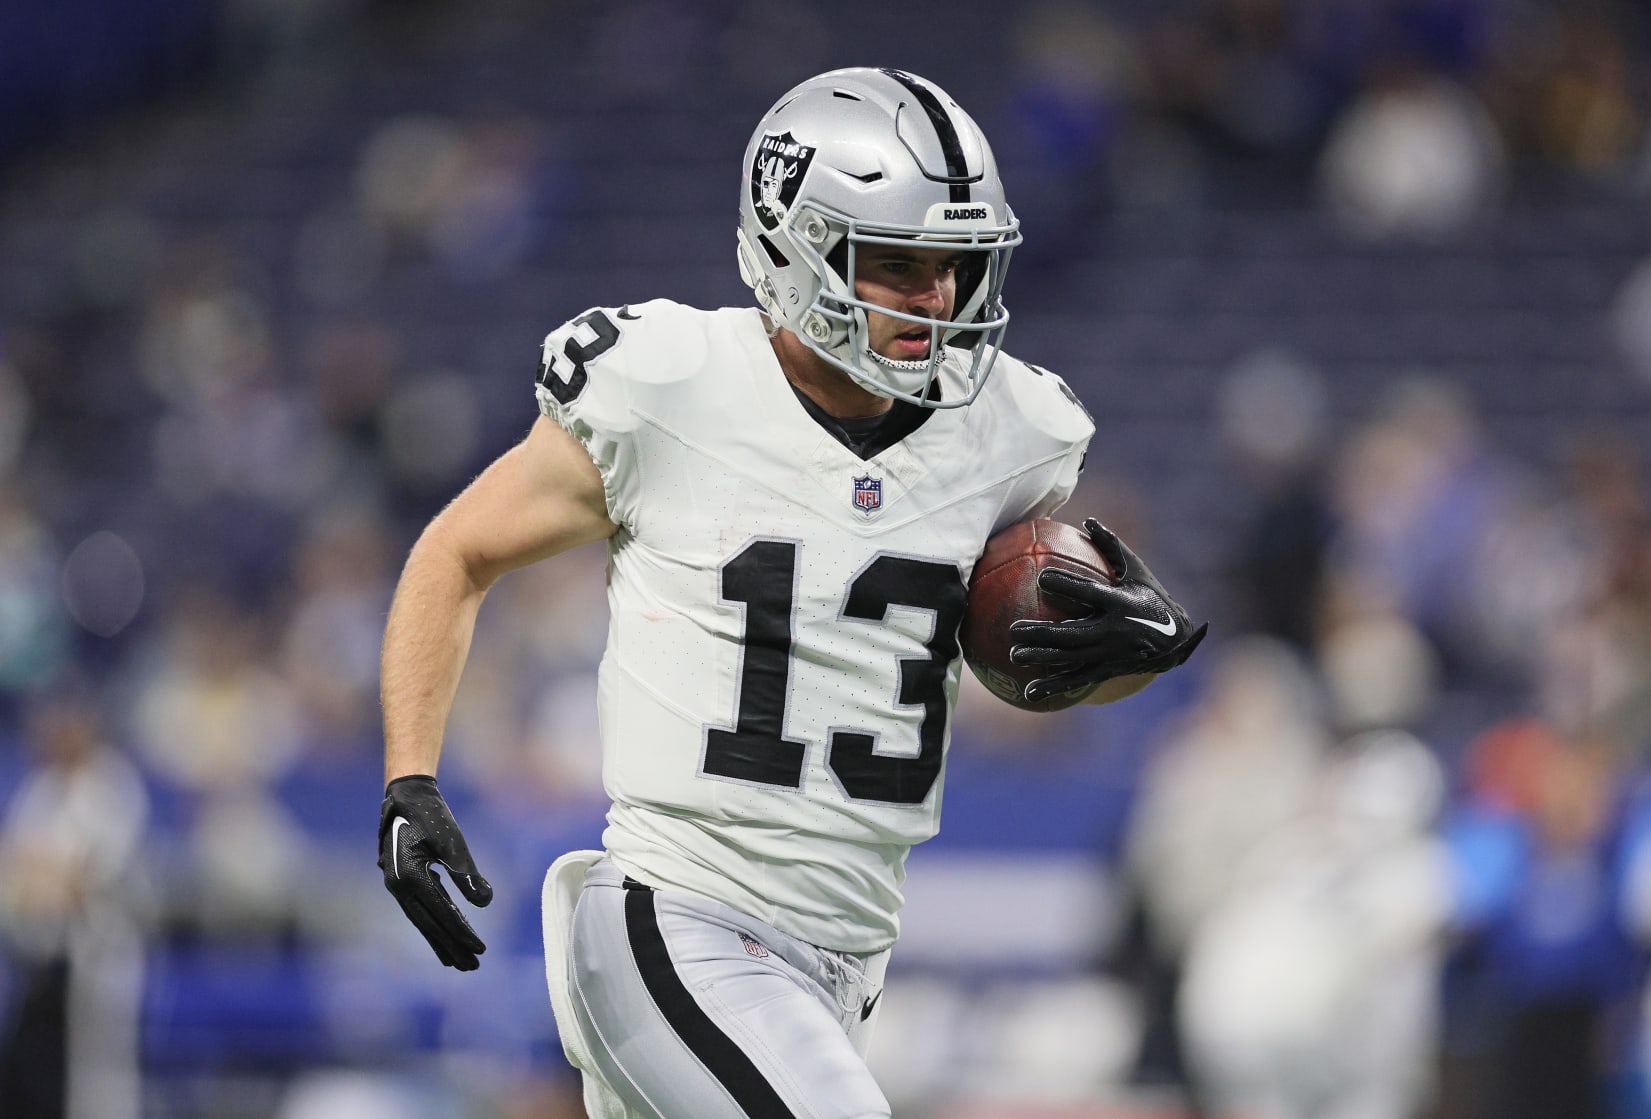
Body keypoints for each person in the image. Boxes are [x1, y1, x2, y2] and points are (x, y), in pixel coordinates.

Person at [376, 67, 1206, 1118]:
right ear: (792, 244)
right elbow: (456, 553)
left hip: (845, 957)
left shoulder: (1016, 439)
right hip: (678, 921)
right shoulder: (671, 385)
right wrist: (412, 779)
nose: (937, 298)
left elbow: (1036, 668)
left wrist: (1125, 658)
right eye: (898, 262)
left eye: (954, 264)